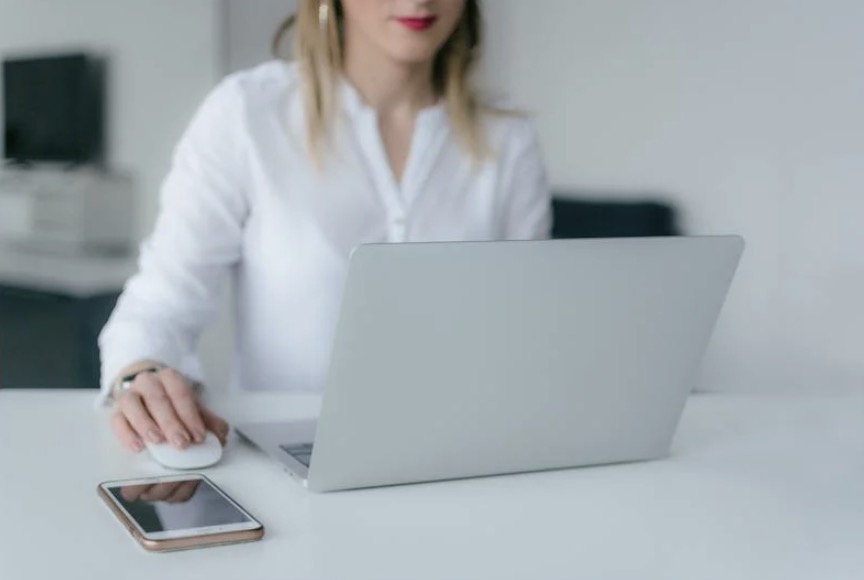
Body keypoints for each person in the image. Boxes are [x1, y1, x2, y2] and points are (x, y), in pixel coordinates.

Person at [99, 0, 552, 453]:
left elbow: (528, 331)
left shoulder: (509, 138)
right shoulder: (248, 114)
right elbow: (160, 305)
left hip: (464, 455)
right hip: (290, 457)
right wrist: (141, 376)